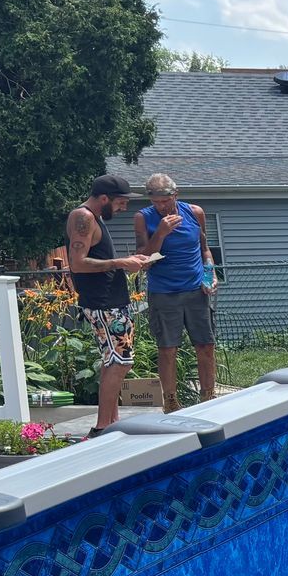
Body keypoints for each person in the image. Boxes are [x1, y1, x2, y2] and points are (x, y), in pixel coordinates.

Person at [64, 175, 150, 435]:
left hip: (112, 299)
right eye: (121, 202)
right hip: (102, 303)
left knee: (115, 360)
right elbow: (77, 263)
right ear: (104, 199)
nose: (124, 208)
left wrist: (128, 261)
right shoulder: (84, 217)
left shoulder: (94, 217)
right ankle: (103, 427)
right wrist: (121, 262)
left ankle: (112, 421)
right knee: (119, 361)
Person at [135, 173, 216, 410]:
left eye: (165, 201)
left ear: (175, 195)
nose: (160, 206)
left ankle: (208, 397)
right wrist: (160, 233)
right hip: (164, 292)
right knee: (168, 348)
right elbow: (144, 260)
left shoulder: (194, 212)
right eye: (155, 202)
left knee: (205, 345)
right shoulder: (143, 218)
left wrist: (209, 272)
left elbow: (205, 249)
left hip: (195, 290)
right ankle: (171, 401)